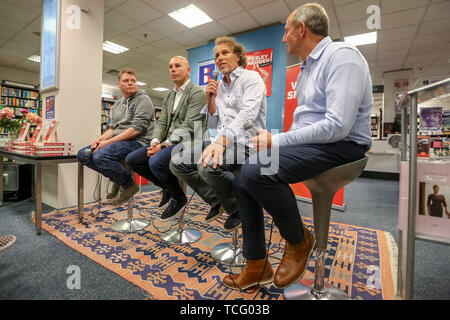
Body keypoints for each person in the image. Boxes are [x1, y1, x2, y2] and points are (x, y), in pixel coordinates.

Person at [223, 3, 372, 290]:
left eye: (286, 31)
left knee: (256, 169)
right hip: (321, 143)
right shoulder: (306, 68)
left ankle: (299, 241)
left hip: (345, 145)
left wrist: (275, 142)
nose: (283, 38)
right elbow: (305, 125)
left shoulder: (342, 57)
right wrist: (274, 145)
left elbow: (337, 126)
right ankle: (256, 265)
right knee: (243, 180)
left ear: (301, 29)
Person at [170, 36, 267, 232]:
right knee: (178, 162)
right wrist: (210, 100)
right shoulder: (219, 86)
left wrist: (221, 144)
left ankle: (240, 208)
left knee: (207, 166)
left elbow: (247, 115)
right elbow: (214, 123)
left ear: (238, 57)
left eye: (225, 53)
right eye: (216, 55)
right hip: (221, 141)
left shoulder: (252, 78)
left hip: (247, 143)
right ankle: (219, 201)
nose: (219, 58)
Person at [126, 56, 211, 220]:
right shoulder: (168, 96)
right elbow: (162, 122)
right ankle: (167, 187)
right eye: (170, 66)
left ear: (188, 70)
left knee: (156, 161)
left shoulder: (197, 93)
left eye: (177, 66)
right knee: (133, 159)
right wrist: (155, 141)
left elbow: (189, 125)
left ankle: (178, 197)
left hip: (189, 141)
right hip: (167, 141)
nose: (173, 69)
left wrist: (164, 145)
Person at [77, 67, 155, 205]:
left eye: (133, 81)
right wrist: (99, 139)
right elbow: (113, 128)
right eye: (126, 80)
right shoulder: (117, 104)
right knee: (83, 154)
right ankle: (118, 179)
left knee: (101, 155)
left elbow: (136, 130)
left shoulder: (144, 100)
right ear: (119, 84)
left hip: (138, 141)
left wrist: (107, 143)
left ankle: (129, 185)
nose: (130, 83)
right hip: (119, 142)